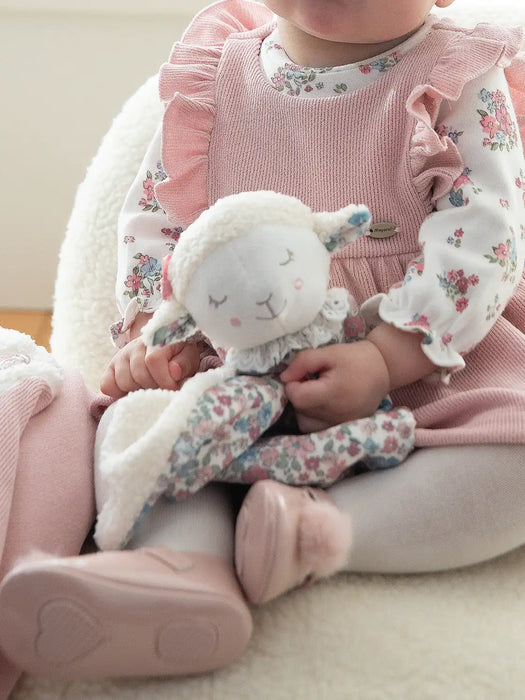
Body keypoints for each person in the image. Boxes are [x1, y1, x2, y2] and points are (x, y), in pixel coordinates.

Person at [2, 0, 525, 683]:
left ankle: (316, 534)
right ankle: (184, 570)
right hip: (240, 373)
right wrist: (156, 336)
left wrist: (388, 353)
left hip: (426, 370)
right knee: (142, 434)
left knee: (512, 459)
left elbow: (485, 234)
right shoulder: (217, 74)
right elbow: (160, 221)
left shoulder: (456, 72)